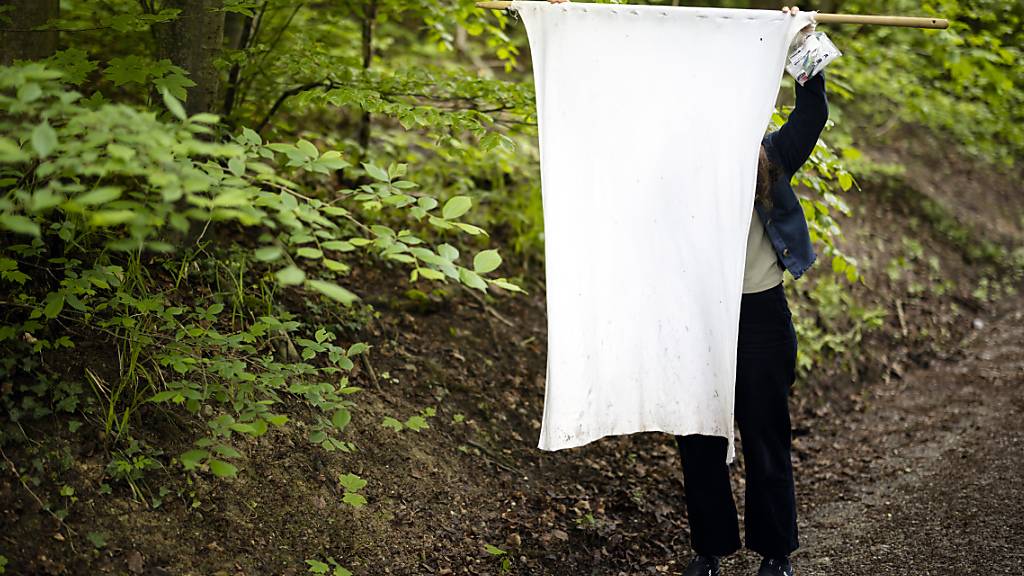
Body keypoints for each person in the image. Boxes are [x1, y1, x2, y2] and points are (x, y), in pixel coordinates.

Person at [541, 2, 827, 575]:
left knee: (766, 435)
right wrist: (566, 31)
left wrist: (804, 42)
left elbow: (812, 114)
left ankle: (776, 555)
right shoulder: (667, 169)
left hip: (759, 316)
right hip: (692, 317)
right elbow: (604, 123)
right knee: (698, 435)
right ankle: (710, 551)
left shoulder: (766, 155)